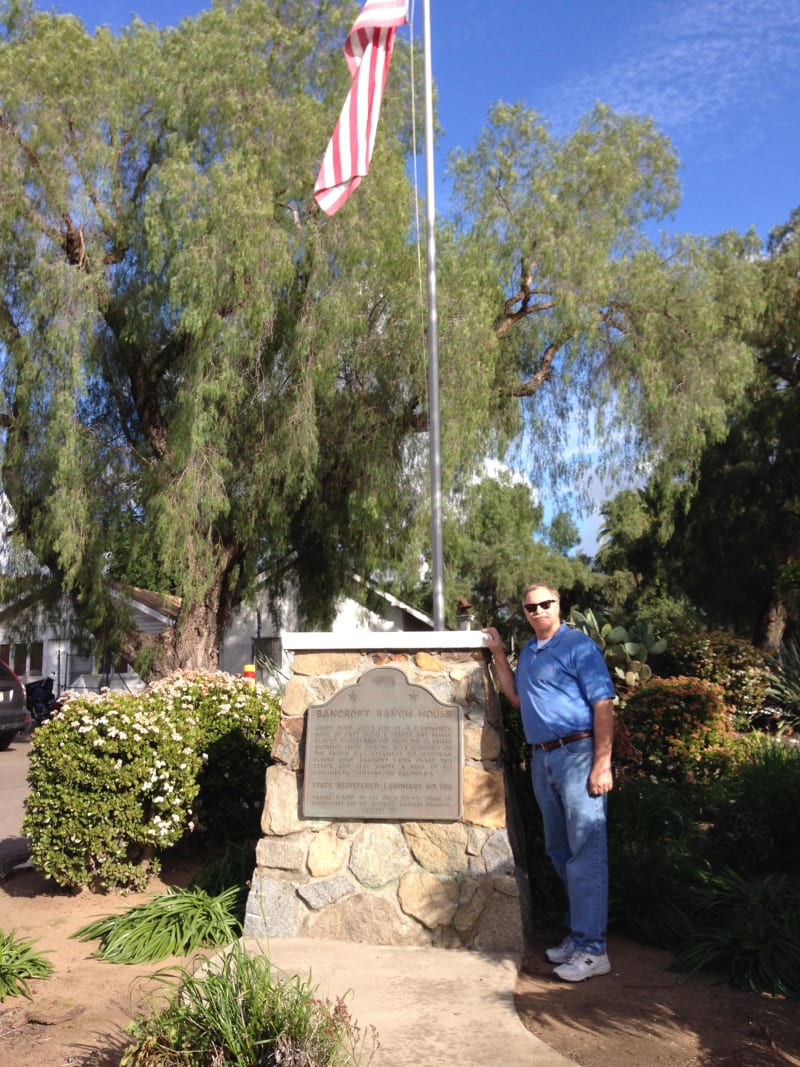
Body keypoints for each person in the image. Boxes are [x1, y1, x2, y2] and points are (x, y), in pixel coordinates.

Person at [483, 581, 616, 982]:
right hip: (543, 759)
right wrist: (499, 656)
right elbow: (518, 699)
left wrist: (602, 763)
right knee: (560, 850)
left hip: (578, 755)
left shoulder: (579, 647)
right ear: (523, 613)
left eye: (545, 604)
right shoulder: (529, 651)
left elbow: (603, 704)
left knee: (586, 851)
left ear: (559, 605)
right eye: (530, 607)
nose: (537, 610)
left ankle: (594, 949)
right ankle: (579, 937)